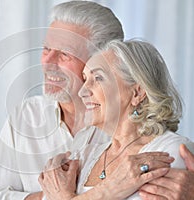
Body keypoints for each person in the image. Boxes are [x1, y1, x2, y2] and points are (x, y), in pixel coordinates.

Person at [0, 1, 194, 199]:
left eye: (65, 54)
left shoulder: (164, 153)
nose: (48, 62)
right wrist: (102, 191)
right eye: (46, 49)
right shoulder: (85, 152)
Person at [38, 40, 194, 199]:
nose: (82, 91)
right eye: (85, 79)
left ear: (137, 93)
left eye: (98, 78)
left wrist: (62, 197)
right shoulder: (84, 156)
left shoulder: (170, 153)